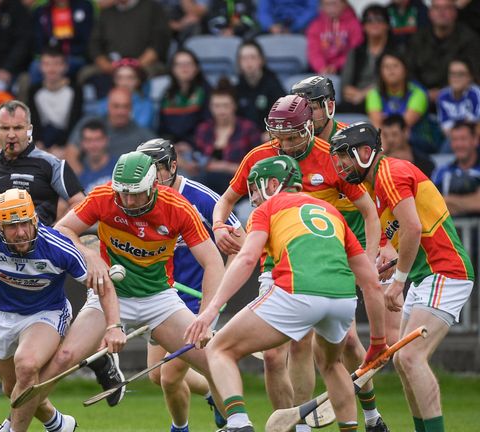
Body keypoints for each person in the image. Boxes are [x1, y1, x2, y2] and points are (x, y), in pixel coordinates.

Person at [210, 95, 389, 432]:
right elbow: (226, 202)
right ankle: (298, 426)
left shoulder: (330, 157)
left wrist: (369, 255)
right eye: (280, 138)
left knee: (343, 347)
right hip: (277, 262)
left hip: (324, 256)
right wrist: (219, 226)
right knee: (280, 354)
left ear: (309, 127)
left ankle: (371, 415)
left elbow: (368, 210)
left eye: (293, 137)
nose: (286, 145)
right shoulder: (260, 158)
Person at [0, 100, 98, 432]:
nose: (12, 135)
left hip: (37, 258)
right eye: (5, 129)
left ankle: (30, 420)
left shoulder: (51, 164)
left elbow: (81, 206)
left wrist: (63, 237)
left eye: (18, 128)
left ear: (30, 130)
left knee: (24, 368)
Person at [53, 151, 229, 428]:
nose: (129, 201)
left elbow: (214, 261)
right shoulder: (104, 197)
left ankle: (233, 420)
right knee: (155, 376)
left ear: (153, 185)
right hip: (116, 294)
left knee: (203, 364)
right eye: (124, 193)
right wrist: (91, 256)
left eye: (136, 193)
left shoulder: (180, 205)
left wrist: (207, 317)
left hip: (163, 297)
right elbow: (61, 230)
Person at [330, 122, 475, 432]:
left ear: (366, 153)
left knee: (410, 357)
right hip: (427, 275)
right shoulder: (375, 189)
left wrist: (397, 282)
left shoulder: (389, 173)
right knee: (402, 361)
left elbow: (411, 227)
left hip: (445, 271)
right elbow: (404, 239)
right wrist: (384, 266)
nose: (340, 164)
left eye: (345, 156)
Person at [0, 188, 123, 432]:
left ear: (35, 220)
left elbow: (104, 287)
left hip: (47, 314)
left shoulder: (57, 247)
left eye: (25, 224)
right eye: (11, 226)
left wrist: (113, 326)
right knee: (13, 388)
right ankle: (58, 423)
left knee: (27, 365)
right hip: (4, 317)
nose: (19, 233)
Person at [137, 139, 241, 431]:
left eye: (156, 170)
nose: (150, 177)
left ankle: (200, 427)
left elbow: (242, 243)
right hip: (164, 298)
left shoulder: (199, 197)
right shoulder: (141, 199)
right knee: (157, 376)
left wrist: (221, 295)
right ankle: (211, 391)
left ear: (172, 166)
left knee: (170, 376)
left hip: (200, 300)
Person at [407, 0, 480, 104]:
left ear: (455, 12)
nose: (441, 12)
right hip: (420, 99)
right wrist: (424, 92)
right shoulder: (417, 39)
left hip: (460, 100)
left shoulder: (470, 39)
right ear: (430, 13)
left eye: (447, 8)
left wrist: (445, 92)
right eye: (437, 8)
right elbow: (408, 71)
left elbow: (474, 73)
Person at [195, 84, 262, 193]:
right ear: (210, 107)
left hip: (239, 183)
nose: (221, 111)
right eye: (216, 106)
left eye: (225, 106)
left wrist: (224, 167)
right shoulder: (203, 129)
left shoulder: (248, 128)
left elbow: (257, 166)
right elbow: (196, 163)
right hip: (207, 184)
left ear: (234, 106)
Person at [158, 49, 211, 169]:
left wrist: (190, 144)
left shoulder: (206, 93)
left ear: (196, 68)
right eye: (179, 64)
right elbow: (162, 129)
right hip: (172, 150)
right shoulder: (167, 95)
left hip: (199, 149)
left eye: (188, 64)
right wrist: (172, 146)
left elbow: (209, 125)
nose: (184, 68)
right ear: (173, 69)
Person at [340, 4, 395, 113]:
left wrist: (364, 94)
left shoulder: (396, 51)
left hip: (385, 98)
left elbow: (393, 80)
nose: (374, 24)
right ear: (363, 26)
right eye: (369, 20)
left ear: (387, 25)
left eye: (379, 20)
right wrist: (351, 93)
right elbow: (345, 84)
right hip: (356, 99)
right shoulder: (355, 52)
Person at [28, 47, 84, 152]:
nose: (51, 69)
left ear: (65, 66)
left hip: (67, 143)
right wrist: (38, 142)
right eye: (47, 64)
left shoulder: (75, 90)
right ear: (40, 67)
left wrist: (63, 145)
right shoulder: (34, 90)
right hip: (41, 141)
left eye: (56, 64)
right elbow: (33, 120)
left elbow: (75, 121)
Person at [234, 40, 285, 134]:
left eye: (252, 57)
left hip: (268, 137)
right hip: (245, 138)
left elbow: (283, 115)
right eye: (244, 58)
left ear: (261, 60)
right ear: (239, 63)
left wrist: (271, 132)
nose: (248, 62)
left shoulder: (273, 85)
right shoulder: (236, 88)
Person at [431, 121, 480, 215]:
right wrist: (470, 202)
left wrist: (448, 200)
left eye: (463, 139)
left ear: (475, 140)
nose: (459, 145)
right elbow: (432, 204)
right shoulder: (441, 172)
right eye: (454, 140)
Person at [306, 0, 363, 75]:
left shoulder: (354, 24)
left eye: (334, 4)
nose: (330, 8)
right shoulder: (315, 26)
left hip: (347, 69)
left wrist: (335, 66)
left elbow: (355, 51)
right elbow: (314, 52)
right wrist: (321, 67)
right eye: (326, 4)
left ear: (344, 4)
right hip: (321, 70)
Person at [291, 75, 346, 142]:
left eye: (311, 109)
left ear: (329, 107)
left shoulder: (350, 138)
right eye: (300, 110)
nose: (304, 116)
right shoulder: (286, 140)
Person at [436, 58, 480, 137]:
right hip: (453, 138)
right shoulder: (442, 96)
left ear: (470, 77)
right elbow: (445, 127)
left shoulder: (476, 94)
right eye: (452, 73)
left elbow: (476, 126)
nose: (456, 77)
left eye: (461, 74)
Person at [77, 119, 119, 193]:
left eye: (97, 139)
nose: (93, 145)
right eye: (88, 140)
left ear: (106, 140)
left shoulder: (119, 167)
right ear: (82, 143)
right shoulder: (81, 179)